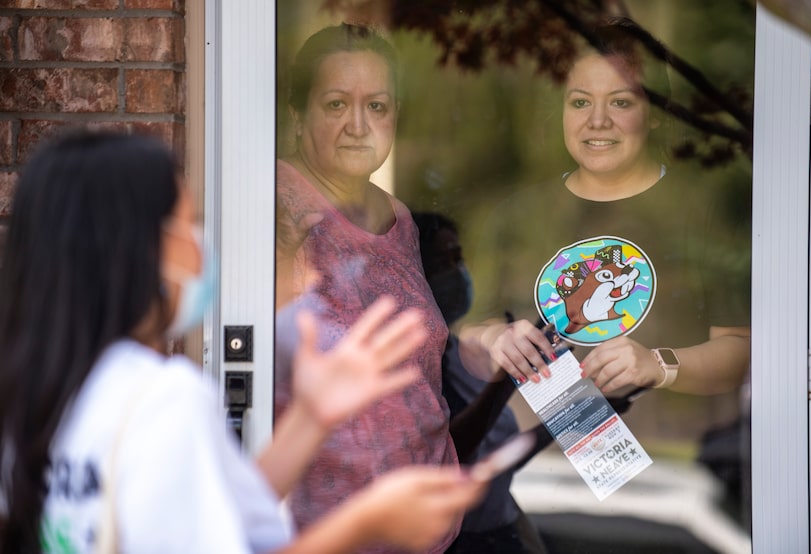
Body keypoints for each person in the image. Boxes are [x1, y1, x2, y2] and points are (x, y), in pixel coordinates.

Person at [0, 130, 485, 554]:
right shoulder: (163, 399)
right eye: (187, 225)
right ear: (132, 252)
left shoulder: (35, 395)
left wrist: (309, 419)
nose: (202, 243)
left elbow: (207, 515)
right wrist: (369, 521)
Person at [458, 17, 751, 399]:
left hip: (668, 453)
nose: (597, 121)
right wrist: (493, 338)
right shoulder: (517, 216)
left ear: (658, 113)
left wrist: (659, 366)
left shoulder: (701, 209)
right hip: (533, 452)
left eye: (621, 102)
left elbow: (742, 353)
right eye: (580, 102)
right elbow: (468, 340)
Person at [272, 23, 460, 553]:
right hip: (323, 532)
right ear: (297, 115)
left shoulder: (398, 218)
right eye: (335, 104)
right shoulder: (276, 207)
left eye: (376, 106)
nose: (358, 125)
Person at [412, 211, 548, 554]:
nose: (459, 273)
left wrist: (574, 420)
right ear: (413, 273)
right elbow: (450, 455)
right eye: (445, 262)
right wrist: (504, 383)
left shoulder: (455, 354)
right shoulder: (410, 367)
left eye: (461, 259)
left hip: (501, 536)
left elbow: (495, 462)